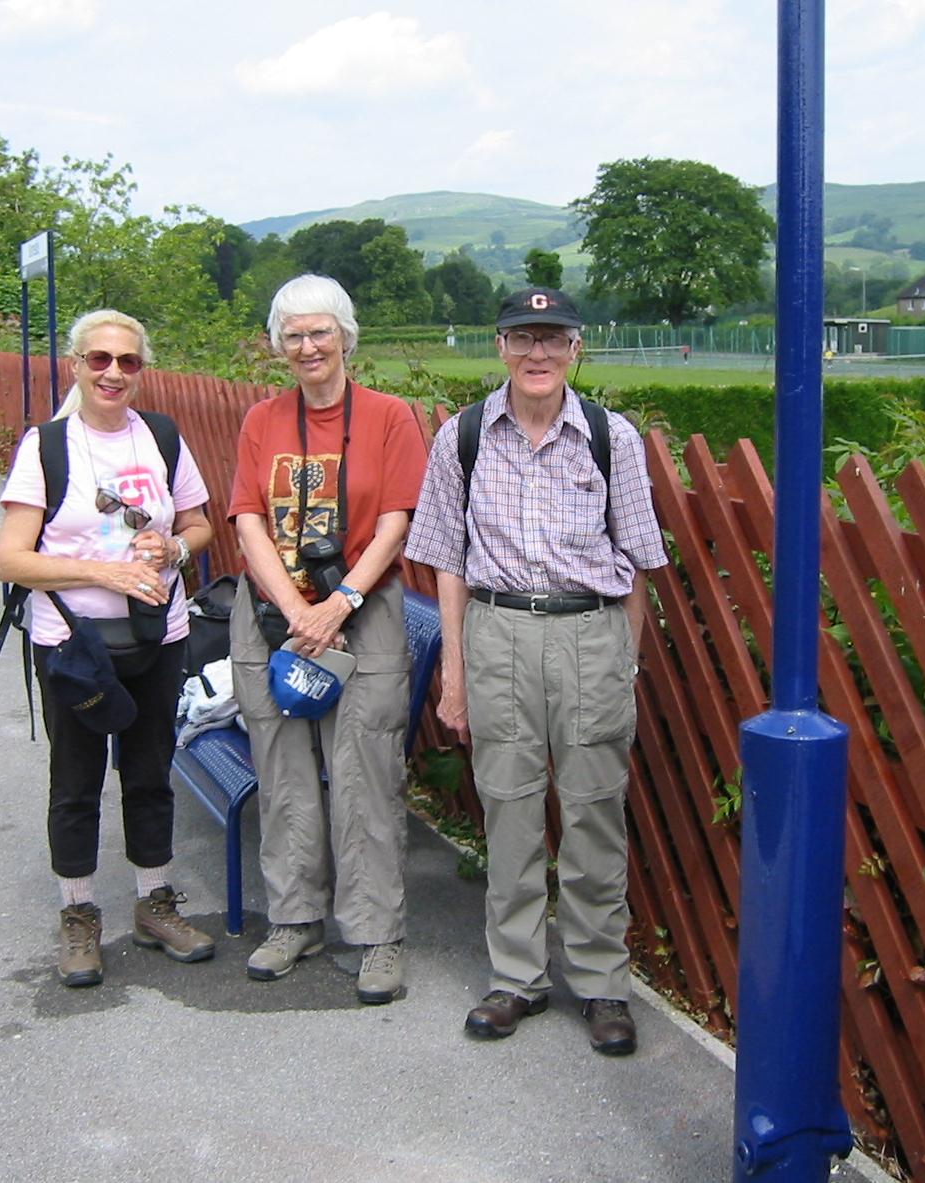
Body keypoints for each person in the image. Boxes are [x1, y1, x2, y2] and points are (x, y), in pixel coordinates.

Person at [405, 287, 667, 1056]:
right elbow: (447, 563)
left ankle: (600, 981)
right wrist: (454, 671)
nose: (538, 354)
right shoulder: (460, 438)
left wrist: (626, 660)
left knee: (592, 809)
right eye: (523, 339)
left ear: (577, 347)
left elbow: (640, 563)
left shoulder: (609, 437)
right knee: (509, 806)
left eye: (554, 338)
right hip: (496, 633)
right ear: (500, 347)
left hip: (589, 631)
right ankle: (516, 974)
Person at [0, 309, 216, 988]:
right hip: (73, 643)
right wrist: (104, 571)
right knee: (77, 779)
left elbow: (199, 524)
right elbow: (11, 559)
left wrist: (174, 547)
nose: (113, 373)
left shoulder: (162, 437)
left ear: (140, 370)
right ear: (76, 365)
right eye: (99, 360)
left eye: (127, 361)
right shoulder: (47, 447)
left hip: (158, 633)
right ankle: (79, 912)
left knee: (150, 771)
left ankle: (154, 900)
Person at [227, 273, 428, 1005]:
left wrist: (338, 601)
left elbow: (396, 520)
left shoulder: (387, 416)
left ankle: (376, 935)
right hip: (273, 612)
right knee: (280, 772)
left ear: (345, 335)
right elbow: (248, 517)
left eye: (319, 332)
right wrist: (293, 608)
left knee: (364, 773)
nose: (307, 346)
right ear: (278, 344)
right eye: (293, 334)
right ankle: (293, 917)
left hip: (361, 611)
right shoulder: (260, 420)